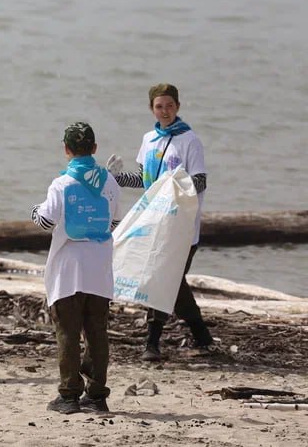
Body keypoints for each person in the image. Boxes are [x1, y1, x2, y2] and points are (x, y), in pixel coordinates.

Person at [110, 82, 212, 360]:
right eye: (159, 106)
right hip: (154, 225)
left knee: (166, 280)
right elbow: (144, 182)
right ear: (151, 109)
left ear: (178, 106)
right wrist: (115, 177)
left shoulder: (189, 140)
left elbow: (200, 182)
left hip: (181, 228)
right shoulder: (148, 140)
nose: (164, 111)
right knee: (170, 282)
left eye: (169, 105)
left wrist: (174, 183)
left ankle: (152, 343)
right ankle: (202, 338)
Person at [30, 122, 120, 414]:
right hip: (99, 265)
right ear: (94, 149)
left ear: (66, 150)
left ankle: (68, 396)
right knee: (97, 331)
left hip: (68, 267)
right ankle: (96, 396)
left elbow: (45, 221)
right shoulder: (109, 182)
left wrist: (35, 210)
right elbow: (115, 222)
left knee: (67, 331)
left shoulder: (62, 184)